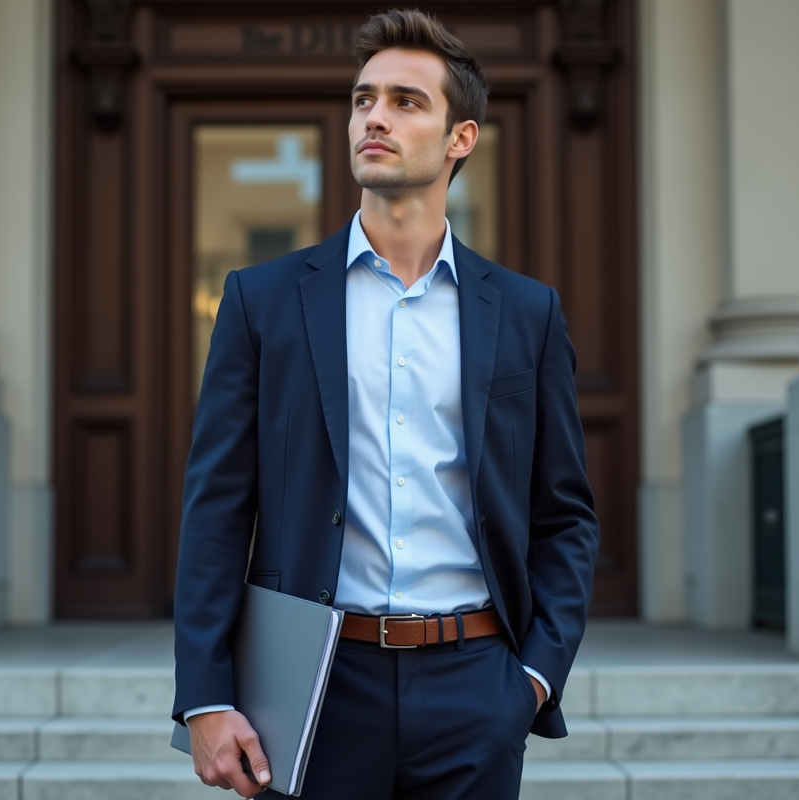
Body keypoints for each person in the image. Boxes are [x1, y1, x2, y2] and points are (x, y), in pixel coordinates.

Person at [172, 9, 599, 799]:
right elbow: (216, 508)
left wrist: (533, 678)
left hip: (478, 683)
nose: (375, 116)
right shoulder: (262, 301)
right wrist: (205, 694)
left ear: (460, 138)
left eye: (407, 101)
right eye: (365, 98)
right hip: (316, 685)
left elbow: (565, 513)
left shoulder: (527, 312)